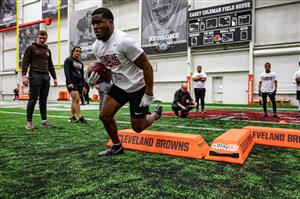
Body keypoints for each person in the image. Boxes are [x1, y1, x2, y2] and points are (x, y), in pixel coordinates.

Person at [85, 7, 162, 156]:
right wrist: (94, 81)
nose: (95, 27)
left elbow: (147, 67)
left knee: (138, 128)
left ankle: (154, 115)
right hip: (120, 85)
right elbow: (108, 73)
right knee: (104, 115)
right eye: (93, 23)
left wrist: (149, 94)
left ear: (110, 22)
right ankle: (117, 146)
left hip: (138, 86)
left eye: (99, 22)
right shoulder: (96, 47)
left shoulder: (124, 42)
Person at [22, 30, 58, 130]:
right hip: (35, 75)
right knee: (33, 99)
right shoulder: (31, 48)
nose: (42, 40)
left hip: (46, 76)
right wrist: (24, 76)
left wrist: (54, 77)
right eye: (40, 38)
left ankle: (44, 121)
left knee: (43, 99)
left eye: (44, 38)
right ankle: (29, 122)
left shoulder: (47, 50)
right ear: (37, 37)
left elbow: (50, 65)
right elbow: (25, 62)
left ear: (46, 39)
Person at [63, 46, 88, 123]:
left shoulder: (81, 63)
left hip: (79, 83)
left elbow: (82, 75)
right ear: (73, 51)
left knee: (74, 100)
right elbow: (66, 72)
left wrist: (84, 86)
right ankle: (80, 117)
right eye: (77, 51)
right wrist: (69, 82)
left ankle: (72, 117)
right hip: (71, 83)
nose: (78, 52)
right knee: (77, 99)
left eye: (80, 51)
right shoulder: (68, 60)